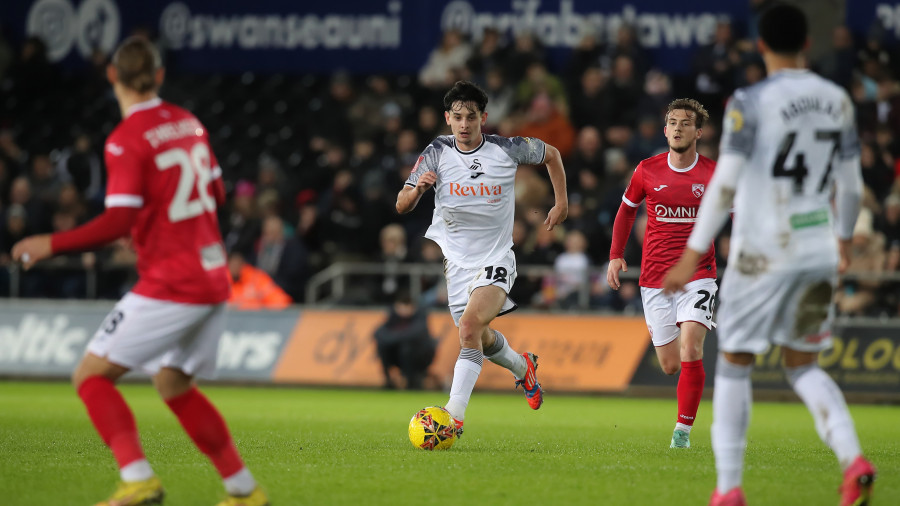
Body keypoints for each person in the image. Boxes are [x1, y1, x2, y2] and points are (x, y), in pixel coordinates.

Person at [11, 37, 268, 506]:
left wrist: (50, 242)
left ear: (112, 76)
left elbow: (116, 222)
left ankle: (138, 479)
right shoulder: (190, 123)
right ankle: (244, 492)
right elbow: (217, 196)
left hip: (174, 281)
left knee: (89, 376)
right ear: (160, 76)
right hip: (211, 278)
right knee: (172, 383)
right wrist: (156, 220)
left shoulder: (126, 139)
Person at [663, 5, 876, 506]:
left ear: (760, 46)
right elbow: (850, 185)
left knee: (735, 364)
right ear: (806, 43)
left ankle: (729, 489)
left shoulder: (749, 101)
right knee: (803, 365)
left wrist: (693, 253)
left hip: (764, 253)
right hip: (818, 248)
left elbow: (725, 183)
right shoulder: (838, 100)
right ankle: (853, 459)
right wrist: (843, 241)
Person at [396, 80, 568, 436]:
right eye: (457, 117)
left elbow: (552, 154)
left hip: (496, 257)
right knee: (480, 338)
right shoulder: (437, 152)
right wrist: (417, 192)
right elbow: (401, 203)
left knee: (469, 328)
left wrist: (561, 202)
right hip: (457, 264)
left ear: (483, 118)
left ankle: (452, 417)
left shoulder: (507, 149)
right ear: (447, 118)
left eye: (470, 117)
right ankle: (523, 367)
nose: (464, 124)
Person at [607, 98, 718, 449]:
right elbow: (626, 213)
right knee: (670, 365)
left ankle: (681, 434)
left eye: (686, 123)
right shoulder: (647, 170)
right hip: (655, 279)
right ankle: (683, 423)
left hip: (698, 273)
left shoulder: (714, 174)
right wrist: (615, 256)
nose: (678, 128)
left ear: (698, 131)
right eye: (672, 122)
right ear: (665, 128)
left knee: (691, 347)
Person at [374, 291, 438, 390]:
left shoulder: (420, 317)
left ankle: (411, 381)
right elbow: (378, 333)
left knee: (406, 347)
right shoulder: (393, 317)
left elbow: (414, 335)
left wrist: (393, 337)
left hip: (420, 357)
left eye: (406, 307)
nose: (403, 310)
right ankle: (388, 380)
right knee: (382, 346)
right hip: (398, 356)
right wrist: (393, 339)